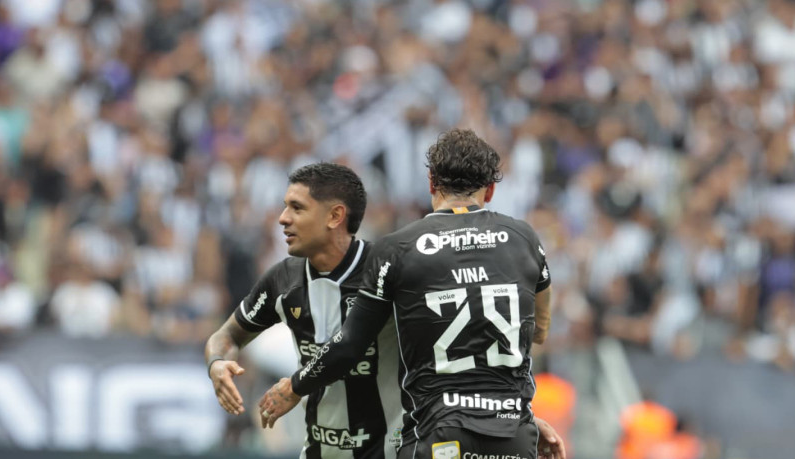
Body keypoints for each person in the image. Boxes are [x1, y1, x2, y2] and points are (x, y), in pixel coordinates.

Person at [206, 161, 565, 459]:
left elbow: (465, 350)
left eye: (297, 208)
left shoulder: (390, 268)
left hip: (393, 450)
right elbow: (227, 336)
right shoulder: (282, 281)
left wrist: (518, 416)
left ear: (334, 216)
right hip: (319, 452)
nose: (283, 218)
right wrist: (217, 362)